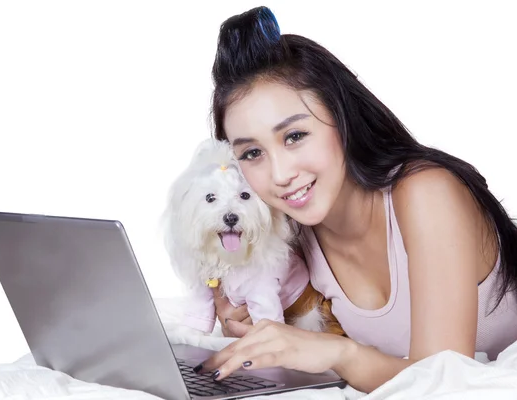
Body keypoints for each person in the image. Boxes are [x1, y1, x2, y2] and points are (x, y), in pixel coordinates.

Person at [192, 5, 517, 393]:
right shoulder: (293, 230)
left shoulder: (427, 193)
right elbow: (309, 330)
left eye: (294, 136)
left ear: (342, 117)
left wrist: (338, 353)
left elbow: (442, 379)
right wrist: (254, 328)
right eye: (252, 153)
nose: (279, 175)